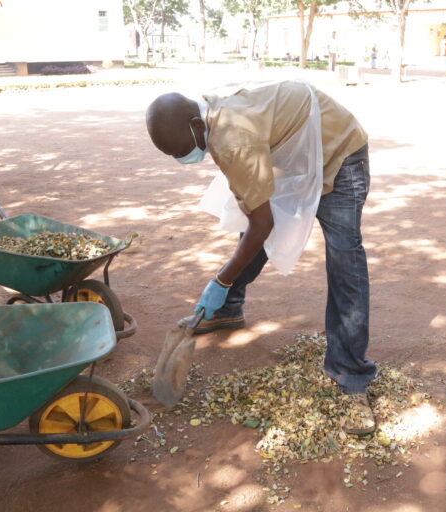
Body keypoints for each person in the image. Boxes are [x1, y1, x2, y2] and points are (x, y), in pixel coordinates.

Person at [145, 81, 376, 434]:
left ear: (195, 126)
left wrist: (219, 280)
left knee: (345, 260)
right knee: (251, 231)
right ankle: (228, 310)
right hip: (298, 153)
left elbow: (262, 224)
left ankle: (352, 377)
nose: (183, 159)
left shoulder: (232, 137)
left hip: (340, 154)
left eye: (181, 151)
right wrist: (225, 280)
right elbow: (257, 219)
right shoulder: (211, 115)